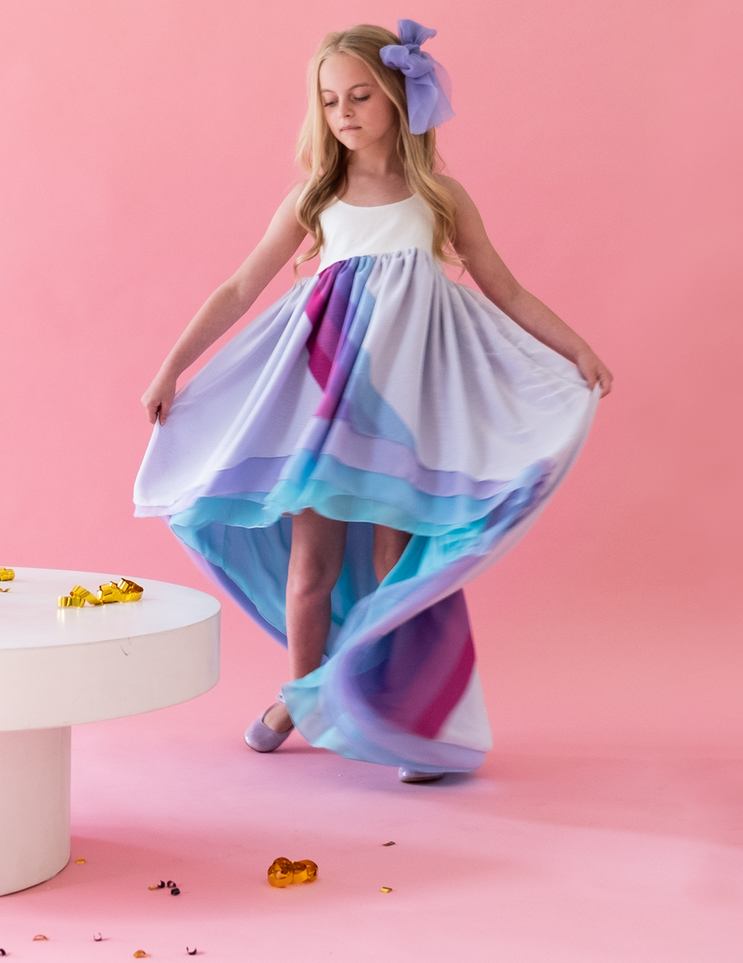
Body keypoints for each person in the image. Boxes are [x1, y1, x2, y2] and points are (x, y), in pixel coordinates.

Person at [133, 21, 611, 783]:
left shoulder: (437, 198)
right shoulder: (315, 198)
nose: (344, 112)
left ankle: (390, 716)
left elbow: (505, 288)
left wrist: (575, 348)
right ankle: (301, 695)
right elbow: (239, 288)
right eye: (328, 101)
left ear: (396, 95)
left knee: (397, 567)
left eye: (359, 95)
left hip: (399, 420)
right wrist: (172, 367)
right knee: (309, 568)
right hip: (321, 415)